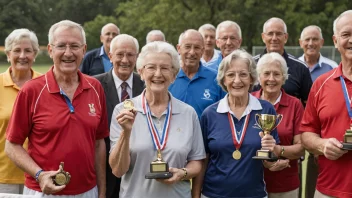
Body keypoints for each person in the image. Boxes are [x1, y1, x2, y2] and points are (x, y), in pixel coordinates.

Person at [5, 20, 108, 197]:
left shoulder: (95, 87)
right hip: (42, 190)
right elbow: (12, 145)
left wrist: (102, 190)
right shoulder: (31, 91)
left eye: (75, 46)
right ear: (51, 50)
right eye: (61, 46)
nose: (68, 53)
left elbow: (99, 144)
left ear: (84, 50)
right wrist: (40, 175)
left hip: (88, 191)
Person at [109, 41, 205, 198]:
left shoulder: (188, 113)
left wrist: (182, 173)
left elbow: (197, 162)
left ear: (174, 75)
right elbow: (118, 170)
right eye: (151, 67)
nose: (158, 74)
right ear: (141, 72)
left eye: (165, 68)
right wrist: (126, 133)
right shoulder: (123, 111)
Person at [192, 49, 280, 198]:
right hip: (213, 195)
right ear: (223, 80)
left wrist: (272, 151)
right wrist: (195, 195)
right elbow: (202, 159)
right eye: (231, 75)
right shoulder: (210, 114)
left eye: (243, 74)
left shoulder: (265, 109)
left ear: (252, 78)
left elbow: (270, 162)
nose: (237, 81)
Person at [300, 10, 352, 198]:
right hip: (329, 190)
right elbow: (306, 133)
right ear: (336, 41)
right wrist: (322, 145)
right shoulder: (321, 84)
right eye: (346, 34)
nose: (351, 40)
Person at [94, 34, 144, 198]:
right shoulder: (94, 85)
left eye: (130, 55)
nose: (125, 60)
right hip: (105, 170)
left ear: (137, 57)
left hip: (139, 169)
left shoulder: (146, 84)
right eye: (120, 54)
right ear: (110, 56)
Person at [252, 52, 305, 198]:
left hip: (285, 185)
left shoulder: (295, 105)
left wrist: (277, 151)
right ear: (258, 77)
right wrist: (265, 162)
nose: (271, 79)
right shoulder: (249, 102)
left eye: (277, 74)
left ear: (284, 77)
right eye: (266, 73)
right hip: (251, 184)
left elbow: (301, 148)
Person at [298, 25, 338, 198]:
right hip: (300, 129)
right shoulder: (295, 66)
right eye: (307, 39)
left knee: (319, 171)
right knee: (300, 175)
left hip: (323, 132)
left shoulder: (332, 67)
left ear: (322, 42)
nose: (311, 43)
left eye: (315, 39)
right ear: (300, 43)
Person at [0, 29, 42, 194]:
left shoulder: (46, 85)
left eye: (28, 50)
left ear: (35, 54)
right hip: (3, 177)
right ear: (8, 54)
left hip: (38, 175)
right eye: (17, 50)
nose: (22, 55)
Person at [253, 17, 312, 105]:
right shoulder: (251, 65)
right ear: (263, 37)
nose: (274, 38)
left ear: (285, 37)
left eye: (279, 34)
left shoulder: (301, 68)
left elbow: (308, 104)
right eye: (270, 34)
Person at [169, 29, 226, 118]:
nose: (192, 52)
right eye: (187, 47)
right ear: (179, 49)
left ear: (202, 51)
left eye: (196, 48)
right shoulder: (168, 78)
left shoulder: (216, 79)